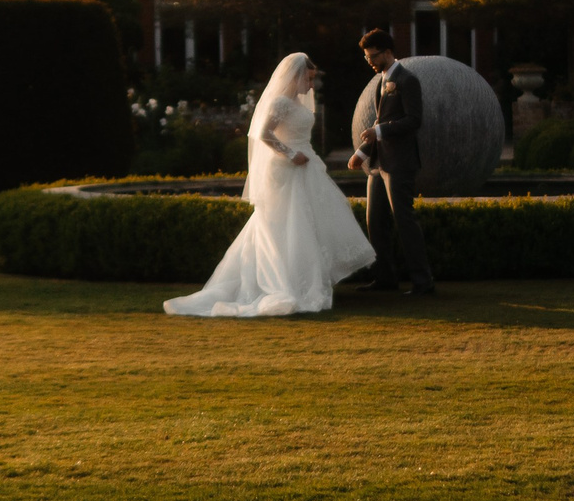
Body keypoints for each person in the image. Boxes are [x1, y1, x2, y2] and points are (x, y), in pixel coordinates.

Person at [162, 53, 374, 317]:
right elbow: (263, 133)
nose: (311, 85)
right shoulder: (280, 103)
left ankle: (308, 280)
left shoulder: (297, 103)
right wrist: (289, 153)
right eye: (308, 79)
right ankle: (287, 283)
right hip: (287, 169)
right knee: (287, 226)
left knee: (310, 224)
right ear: (295, 77)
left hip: (306, 166)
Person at [347, 29, 436, 295]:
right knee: (375, 222)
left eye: (374, 56)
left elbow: (414, 120)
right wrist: (362, 152)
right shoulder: (381, 81)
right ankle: (385, 278)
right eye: (366, 57)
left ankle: (423, 282)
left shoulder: (408, 80)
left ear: (388, 52)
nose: (370, 61)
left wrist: (380, 132)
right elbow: (378, 121)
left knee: (404, 220)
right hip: (378, 163)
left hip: (400, 162)